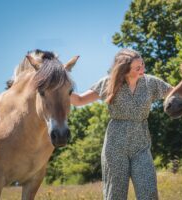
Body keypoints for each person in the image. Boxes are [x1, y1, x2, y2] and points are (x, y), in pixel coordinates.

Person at [70, 49, 173, 200]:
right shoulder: (108, 82)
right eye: (137, 68)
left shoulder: (151, 83)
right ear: (125, 70)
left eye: (142, 64)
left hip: (141, 146)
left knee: (149, 193)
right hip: (114, 148)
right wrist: (60, 89)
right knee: (115, 196)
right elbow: (79, 100)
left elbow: (176, 94)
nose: (142, 70)